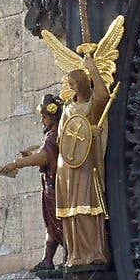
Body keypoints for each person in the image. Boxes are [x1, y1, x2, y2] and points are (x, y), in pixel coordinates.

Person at [0, 93, 65, 270]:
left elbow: (44, 157)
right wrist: (30, 157)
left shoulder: (55, 135)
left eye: (44, 117)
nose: (42, 121)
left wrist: (17, 164)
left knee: (59, 224)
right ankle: (48, 259)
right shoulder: (52, 134)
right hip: (50, 186)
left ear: (52, 116)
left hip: (58, 188)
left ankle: (66, 256)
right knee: (51, 225)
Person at [56, 50, 111, 268]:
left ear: (81, 83)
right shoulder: (68, 108)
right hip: (69, 164)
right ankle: (76, 253)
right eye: (69, 83)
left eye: (73, 82)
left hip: (86, 162)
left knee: (88, 205)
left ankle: (94, 251)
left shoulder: (91, 106)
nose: (70, 87)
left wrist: (93, 69)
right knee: (72, 210)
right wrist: (88, 129)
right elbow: (63, 136)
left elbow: (104, 97)